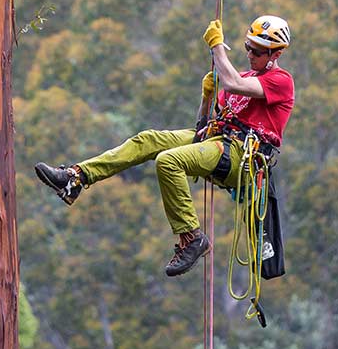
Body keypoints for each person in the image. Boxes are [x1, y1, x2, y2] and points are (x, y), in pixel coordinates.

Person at [35, 15, 295, 277]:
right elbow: (203, 123)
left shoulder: (280, 81)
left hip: (242, 156)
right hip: (217, 139)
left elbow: (233, 83)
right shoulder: (243, 76)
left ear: (276, 53)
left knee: (169, 161)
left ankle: (191, 238)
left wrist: (217, 46)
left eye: (258, 51)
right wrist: (206, 97)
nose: (250, 54)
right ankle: (76, 177)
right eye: (247, 47)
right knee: (147, 140)